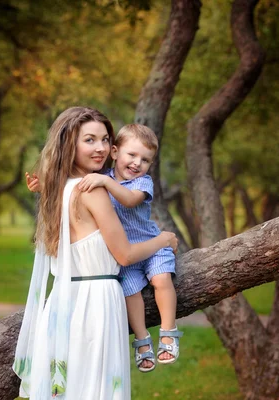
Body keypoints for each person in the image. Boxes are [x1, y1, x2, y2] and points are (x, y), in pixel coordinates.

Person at [13, 107, 177, 400]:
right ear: (69, 144)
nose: (100, 148)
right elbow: (125, 256)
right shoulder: (93, 190)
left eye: (104, 139)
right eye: (89, 140)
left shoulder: (58, 189)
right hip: (95, 306)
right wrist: (163, 239)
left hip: (62, 304)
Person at [77, 124, 182, 373]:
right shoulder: (102, 177)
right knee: (130, 292)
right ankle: (142, 340)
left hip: (152, 247)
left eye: (145, 160)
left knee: (161, 279)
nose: (137, 163)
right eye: (132, 155)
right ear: (114, 152)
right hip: (125, 254)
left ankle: (168, 331)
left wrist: (104, 180)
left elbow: (128, 199)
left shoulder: (143, 183)